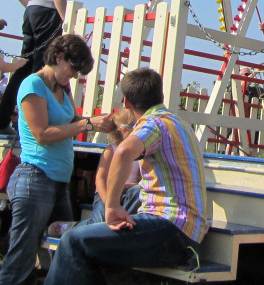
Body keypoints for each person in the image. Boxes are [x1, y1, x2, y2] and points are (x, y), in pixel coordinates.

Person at [45, 67, 211, 285]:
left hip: (171, 229)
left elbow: (123, 151)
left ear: (127, 102)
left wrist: (112, 206)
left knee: (72, 242)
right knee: (92, 252)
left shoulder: (154, 123)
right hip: (185, 232)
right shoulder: (180, 123)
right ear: (161, 95)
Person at [0, 34, 115, 285]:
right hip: (34, 180)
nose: (74, 75)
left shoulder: (62, 88)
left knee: (66, 252)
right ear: (59, 57)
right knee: (20, 260)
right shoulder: (33, 85)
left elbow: (72, 121)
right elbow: (42, 134)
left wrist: (100, 122)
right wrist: (87, 123)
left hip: (57, 183)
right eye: (74, 69)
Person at [0, 0, 73, 131]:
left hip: (31, 11)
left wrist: (33, 7)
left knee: (23, 67)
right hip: (49, 11)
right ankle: (40, 121)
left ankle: (3, 118)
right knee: (46, 67)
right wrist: (65, 18)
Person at [48, 108, 142, 236]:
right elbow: (100, 179)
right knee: (98, 223)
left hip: (126, 193)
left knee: (136, 195)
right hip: (107, 193)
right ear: (125, 130)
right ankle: (68, 227)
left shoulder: (137, 153)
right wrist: (108, 202)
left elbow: (143, 178)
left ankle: (122, 227)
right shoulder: (111, 150)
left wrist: (135, 185)